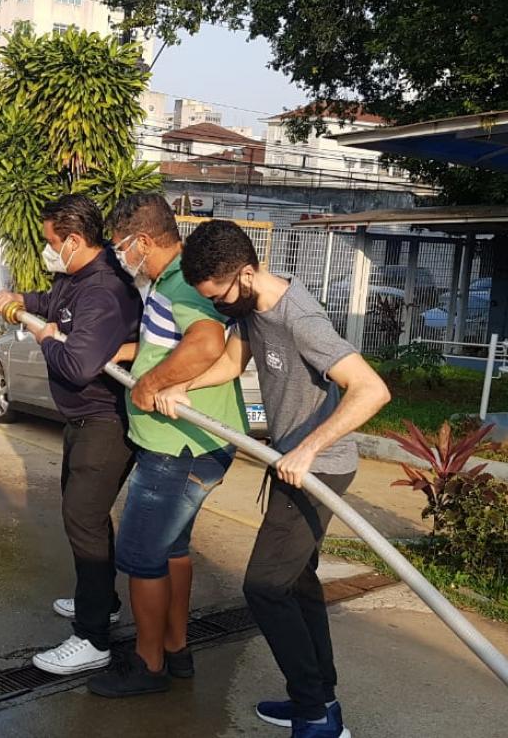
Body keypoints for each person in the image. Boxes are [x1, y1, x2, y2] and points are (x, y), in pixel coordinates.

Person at [157, 219, 391, 738]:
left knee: (264, 587)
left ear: (244, 272)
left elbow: (372, 390)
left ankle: (316, 715)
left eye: (219, 296)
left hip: (319, 469)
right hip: (294, 463)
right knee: (298, 585)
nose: (218, 307)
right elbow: (234, 361)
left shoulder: (300, 316)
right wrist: (184, 386)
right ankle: (318, 699)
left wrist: (307, 450)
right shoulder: (251, 306)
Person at [86, 194, 249, 698]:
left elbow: (204, 345)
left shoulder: (181, 281)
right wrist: (134, 352)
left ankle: (147, 664)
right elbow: (175, 339)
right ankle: (176, 650)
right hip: (188, 447)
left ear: (143, 241)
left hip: (178, 453)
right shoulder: (171, 278)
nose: (119, 256)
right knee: (173, 550)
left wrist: (147, 382)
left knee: (140, 557)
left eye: (121, 246)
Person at [0, 194, 142, 675]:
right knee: (89, 519)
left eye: (52, 242)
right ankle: (101, 601)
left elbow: (77, 365)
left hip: (105, 424)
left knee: (83, 520)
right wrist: (18, 302)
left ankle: (93, 639)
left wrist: (46, 337)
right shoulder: (75, 279)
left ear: (74, 240)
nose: (48, 250)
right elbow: (50, 303)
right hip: (82, 423)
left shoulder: (102, 291)